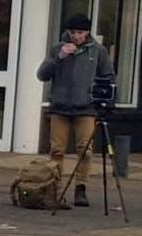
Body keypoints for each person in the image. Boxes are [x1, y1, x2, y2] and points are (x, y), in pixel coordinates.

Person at [36, 13, 114, 208]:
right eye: (72, 32)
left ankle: (81, 187)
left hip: (86, 107)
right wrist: (59, 57)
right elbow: (42, 75)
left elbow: (108, 76)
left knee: (85, 150)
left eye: (80, 32)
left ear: (87, 32)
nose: (76, 37)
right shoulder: (56, 49)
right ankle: (55, 187)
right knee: (57, 150)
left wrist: (101, 98)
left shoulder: (98, 51)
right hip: (60, 106)